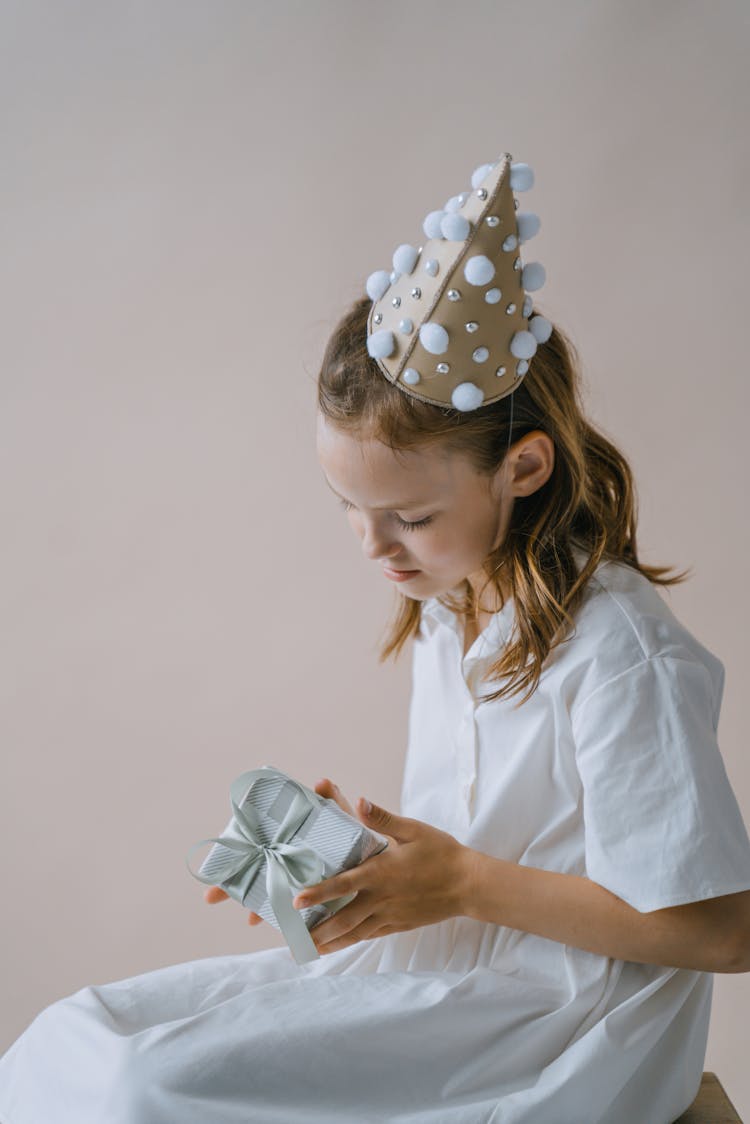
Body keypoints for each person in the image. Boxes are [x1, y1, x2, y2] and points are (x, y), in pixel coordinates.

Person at [1, 151, 750, 1124]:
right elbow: (480, 845)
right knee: (74, 1040)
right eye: (349, 507)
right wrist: (353, 858)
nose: (373, 544)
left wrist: (459, 882)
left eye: (409, 515)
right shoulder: (452, 611)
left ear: (522, 466)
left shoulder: (618, 651)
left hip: (562, 1024)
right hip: (451, 974)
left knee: (147, 1089)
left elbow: (721, 929)